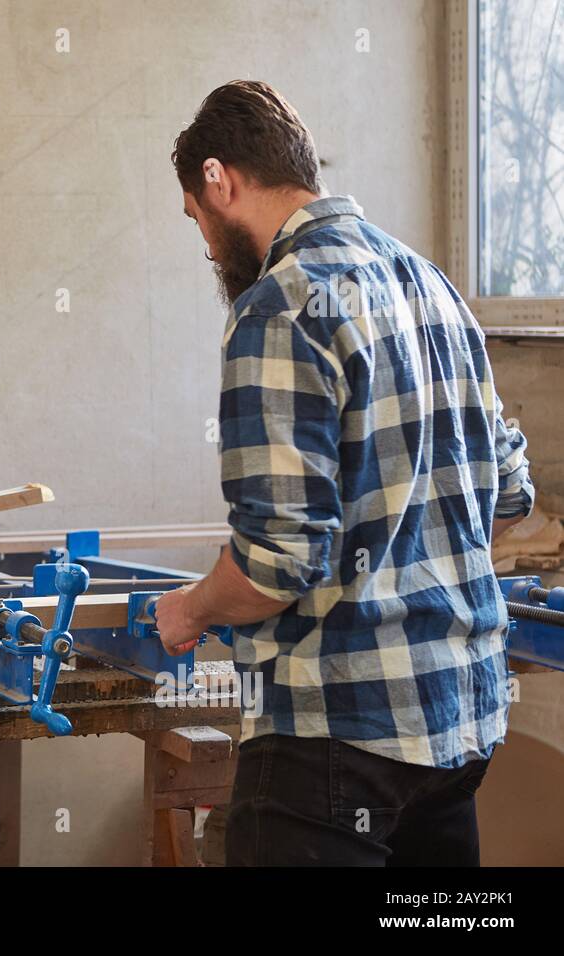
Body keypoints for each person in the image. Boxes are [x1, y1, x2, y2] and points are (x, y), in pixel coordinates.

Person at [153, 81, 535, 866]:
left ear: (219, 180)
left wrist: (190, 610)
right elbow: (508, 498)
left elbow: (275, 565)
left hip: (334, 741)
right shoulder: (433, 286)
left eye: (197, 216)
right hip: (458, 728)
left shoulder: (280, 305)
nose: (205, 244)